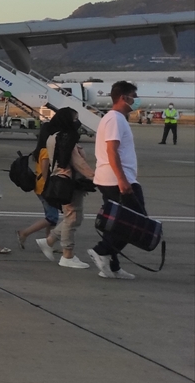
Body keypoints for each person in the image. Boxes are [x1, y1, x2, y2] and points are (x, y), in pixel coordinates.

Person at [88, 81, 144, 280]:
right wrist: (122, 179)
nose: (136, 100)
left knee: (116, 223)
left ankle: (112, 267)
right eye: (134, 96)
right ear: (123, 97)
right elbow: (112, 150)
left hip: (111, 178)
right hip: (116, 179)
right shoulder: (115, 119)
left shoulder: (115, 118)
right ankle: (101, 250)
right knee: (136, 221)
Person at [36, 109, 96, 269]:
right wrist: (95, 177)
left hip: (64, 181)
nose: (77, 122)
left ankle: (49, 241)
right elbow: (77, 162)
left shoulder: (54, 137)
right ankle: (67, 255)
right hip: (68, 182)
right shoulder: (65, 138)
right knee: (72, 218)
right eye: (75, 118)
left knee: (74, 217)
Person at [15, 117, 60, 249]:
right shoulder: (45, 151)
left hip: (40, 186)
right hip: (44, 187)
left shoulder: (40, 149)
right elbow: (45, 171)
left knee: (51, 217)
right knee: (52, 217)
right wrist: (50, 187)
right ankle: (24, 233)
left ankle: (48, 244)